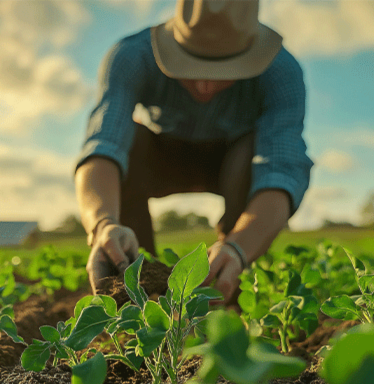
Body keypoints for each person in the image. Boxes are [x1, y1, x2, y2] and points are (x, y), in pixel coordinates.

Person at [74, 0, 313, 305]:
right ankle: (136, 286)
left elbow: (282, 171)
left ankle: (228, 279)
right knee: (130, 139)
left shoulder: (281, 73)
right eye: (190, 65)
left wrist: (238, 247)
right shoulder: (132, 56)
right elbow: (102, 146)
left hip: (235, 163)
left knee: (252, 155)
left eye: (223, 70)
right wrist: (103, 224)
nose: (205, 83)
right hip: (162, 158)